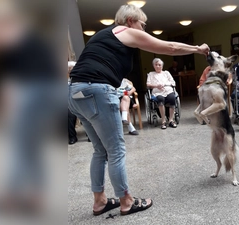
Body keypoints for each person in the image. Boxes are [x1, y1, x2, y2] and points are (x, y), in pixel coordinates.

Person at [68, 4, 209, 216]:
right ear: (130, 21)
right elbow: (168, 47)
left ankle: (100, 201)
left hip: (74, 93)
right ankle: (126, 201)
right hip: (96, 90)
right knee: (116, 150)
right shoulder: (125, 31)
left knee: (100, 150)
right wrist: (197, 49)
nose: (143, 30)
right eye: (142, 25)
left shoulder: (101, 36)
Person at [147, 58, 177, 129]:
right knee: (160, 99)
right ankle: (163, 121)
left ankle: (171, 120)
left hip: (168, 90)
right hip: (157, 91)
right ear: (153, 66)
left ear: (162, 66)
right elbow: (148, 84)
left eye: (159, 65)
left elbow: (173, 82)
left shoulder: (166, 73)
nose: (158, 66)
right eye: (156, 65)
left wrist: (165, 84)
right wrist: (156, 85)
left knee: (172, 98)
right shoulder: (151, 74)